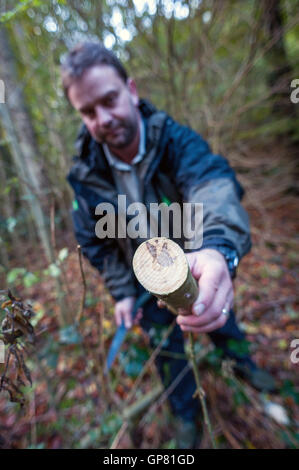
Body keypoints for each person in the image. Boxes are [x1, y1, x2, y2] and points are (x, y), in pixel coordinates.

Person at [61, 42, 275, 448]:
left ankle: (242, 365)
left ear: (132, 90)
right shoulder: (85, 175)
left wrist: (216, 249)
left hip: (195, 265)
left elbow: (212, 186)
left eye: (110, 100)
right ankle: (186, 415)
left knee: (219, 317)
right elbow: (94, 242)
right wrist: (122, 293)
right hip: (144, 286)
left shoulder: (175, 141)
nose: (103, 119)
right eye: (88, 112)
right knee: (167, 351)